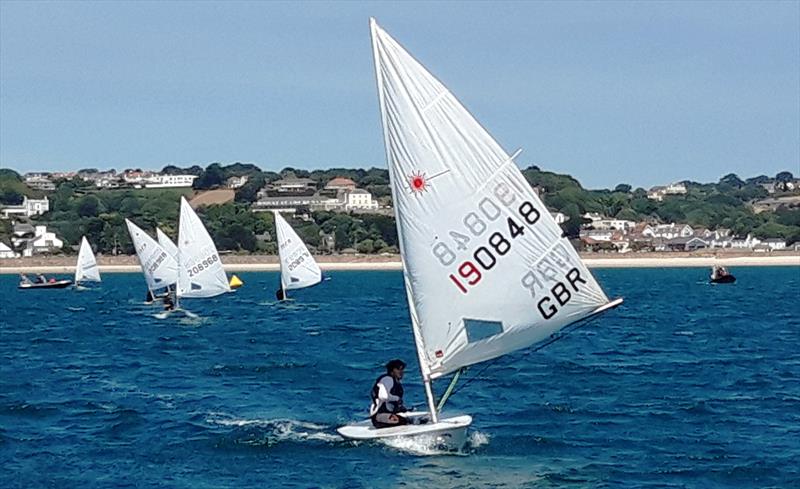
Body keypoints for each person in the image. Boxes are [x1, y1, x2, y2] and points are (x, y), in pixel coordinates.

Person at [370, 359, 409, 428]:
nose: (401, 372)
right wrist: (397, 398)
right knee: (403, 421)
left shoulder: (395, 382)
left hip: (387, 414)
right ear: (392, 370)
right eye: (398, 369)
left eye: (402, 369)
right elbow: (383, 396)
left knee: (409, 420)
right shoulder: (388, 379)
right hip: (379, 416)